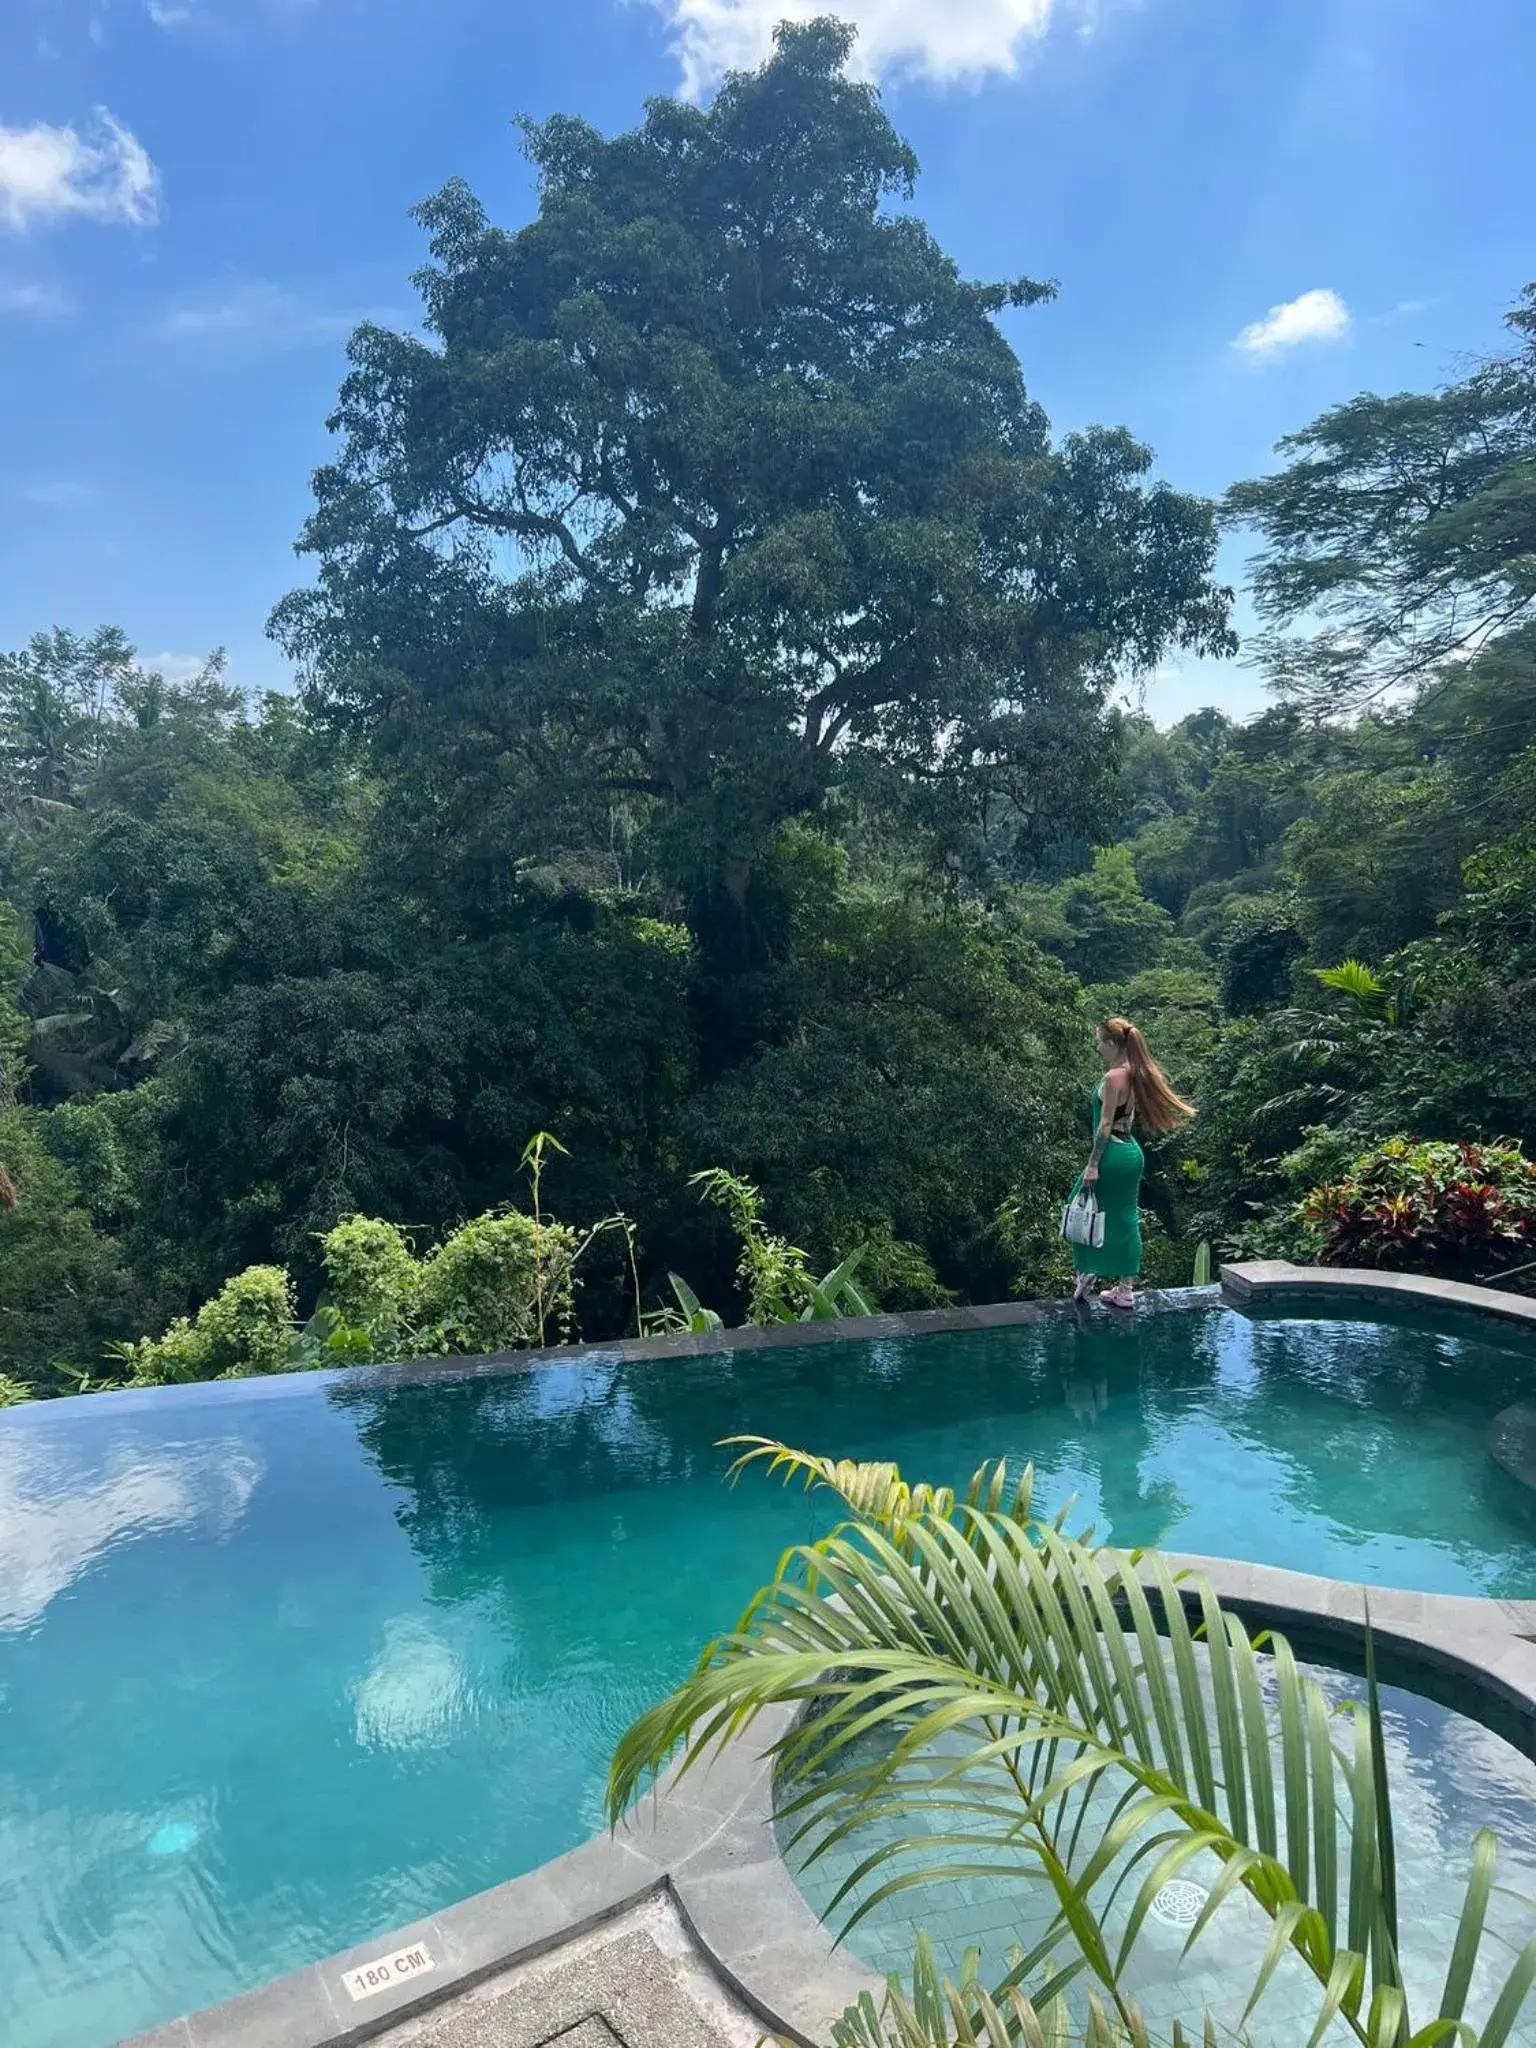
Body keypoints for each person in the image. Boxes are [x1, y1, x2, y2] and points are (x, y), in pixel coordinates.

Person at [1069, 1017, 1194, 1312]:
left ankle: (1087, 1270)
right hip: (1131, 1153)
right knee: (1125, 1217)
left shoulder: (1114, 1077)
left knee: (1079, 1206)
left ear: (1112, 1044)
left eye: (1100, 1042)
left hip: (1110, 1152)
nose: (1098, 1048)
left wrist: (1092, 1165)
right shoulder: (1137, 1074)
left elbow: (1104, 1126)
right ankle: (1125, 1290)